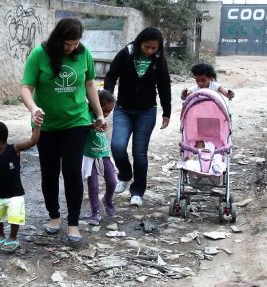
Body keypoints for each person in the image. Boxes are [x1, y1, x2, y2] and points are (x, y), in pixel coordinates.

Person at [21, 17, 106, 243]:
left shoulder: (83, 53)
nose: (71, 48)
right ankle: (54, 216)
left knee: (72, 171)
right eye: (67, 44)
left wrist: (98, 113)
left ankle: (73, 223)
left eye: (75, 44)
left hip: (76, 122)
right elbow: (26, 87)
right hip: (46, 124)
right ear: (58, 38)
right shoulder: (40, 54)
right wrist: (33, 108)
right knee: (49, 172)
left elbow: (90, 84)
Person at [104, 27, 172, 207]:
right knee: (117, 146)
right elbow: (111, 76)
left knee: (139, 153)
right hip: (123, 109)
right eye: (147, 47)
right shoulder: (126, 54)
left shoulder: (159, 60)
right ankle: (125, 175)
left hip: (147, 112)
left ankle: (137, 190)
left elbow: (164, 86)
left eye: (154, 48)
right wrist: (107, 97)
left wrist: (167, 111)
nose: (150, 51)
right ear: (139, 42)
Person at [0, 121, 39, 252]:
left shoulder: (14, 149)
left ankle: (12, 238)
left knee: (14, 218)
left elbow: (32, 141)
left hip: (15, 194)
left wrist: (37, 125)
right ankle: (1, 236)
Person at [82, 90, 118, 225]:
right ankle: (95, 212)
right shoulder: (86, 115)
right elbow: (82, 129)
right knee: (93, 186)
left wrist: (102, 125)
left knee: (113, 181)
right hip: (89, 156)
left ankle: (107, 199)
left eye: (110, 112)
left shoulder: (102, 119)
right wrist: (93, 126)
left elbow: (102, 130)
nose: (107, 114)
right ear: (97, 105)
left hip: (104, 154)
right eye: (106, 111)